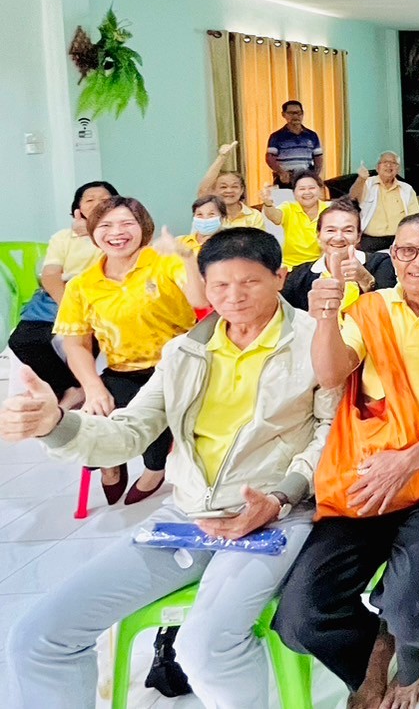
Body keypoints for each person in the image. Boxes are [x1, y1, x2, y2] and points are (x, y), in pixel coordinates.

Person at [4, 229, 336, 709]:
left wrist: (282, 495)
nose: (235, 297)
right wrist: (56, 423)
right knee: (38, 638)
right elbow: (131, 430)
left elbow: (331, 431)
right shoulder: (184, 352)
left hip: (278, 515)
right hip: (186, 519)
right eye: (220, 286)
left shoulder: (318, 341)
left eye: (250, 282)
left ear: (280, 277)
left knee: (205, 651)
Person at [272, 213, 419, 709]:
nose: (416, 261)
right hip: (369, 475)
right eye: (405, 250)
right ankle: (374, 648)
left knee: (405, 604)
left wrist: (408, 460)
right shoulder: (370, 308)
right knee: (298, 617)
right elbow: (332, 374)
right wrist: (324, 318)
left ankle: (415, 652)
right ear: (390, 254)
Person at [51, 197, 207, 504]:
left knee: (158, 417)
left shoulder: (166, 261)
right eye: (106, 226)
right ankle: (111, 464)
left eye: (126, 224)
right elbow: (76, 343)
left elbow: (199, 300)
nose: (116, 233)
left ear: (143, 228)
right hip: (122, 368)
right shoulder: (82, 285)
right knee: (96, 416)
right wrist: (92, 387)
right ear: (93, 232)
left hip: (176, 366)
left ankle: (154, 470)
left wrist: (188, 257)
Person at [6, 180, 115, 406]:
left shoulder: (119, 234)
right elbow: (50, 275)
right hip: (61, 298)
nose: (97, 205)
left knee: (84, 339)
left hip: (100, 297)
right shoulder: (63, 238)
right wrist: (67, 305)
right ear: (78, 209)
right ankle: (67, 388)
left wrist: (97, 231)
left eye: (104, 200)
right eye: (89, 200)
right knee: (24, 339)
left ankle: (88, 387)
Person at [280, 197, 396, 312]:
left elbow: (388, 311)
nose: (339, 237)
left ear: (358, 237)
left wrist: (365, 279)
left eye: (348, 231)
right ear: (318, 235)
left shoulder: (381, 263)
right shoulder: (299, 276)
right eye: (331, 230)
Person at [351, 152, 419, 253]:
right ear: (377, 167)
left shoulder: (407, 189)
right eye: (385, 162)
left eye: (393, 163)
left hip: (399, 240)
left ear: (398, 169)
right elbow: (352, 196)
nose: (389, 165)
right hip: (371, 240)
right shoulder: (367, 183)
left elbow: (415, 218)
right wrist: (360, 179)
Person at [260, 170, 330, 268]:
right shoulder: (289, 207)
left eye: (312, 188)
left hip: (321, 265)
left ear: (320, 190)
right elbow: (275, 217)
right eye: (302, 189)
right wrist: (268, 203)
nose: (307, 192)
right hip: (291, 266)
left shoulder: (330, 210)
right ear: (294, 192)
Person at [197, 142, 267, 229]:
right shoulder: (209, 216)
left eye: (235, 186)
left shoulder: (255, 216)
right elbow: (203, 190)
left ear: (242, 190)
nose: (229, 190)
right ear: (213, 190)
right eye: (223, 187)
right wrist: (222, 158)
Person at [265, 100, 324, 188]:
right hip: (285, 180)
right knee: (284, 201)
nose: (295, 116)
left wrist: (315, 175)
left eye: (299, 113)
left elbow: (318, 157)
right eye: (291, 113)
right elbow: (270, 158)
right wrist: (281, 173)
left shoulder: (312, 135)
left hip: (305, 179)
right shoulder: (276, 136)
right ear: (283, 114)